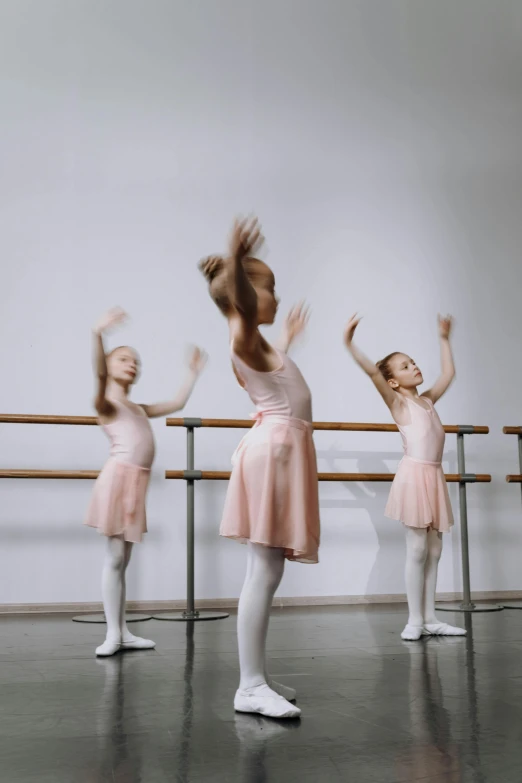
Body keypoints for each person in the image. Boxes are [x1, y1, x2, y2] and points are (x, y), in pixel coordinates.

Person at [200, 217, 320, 718]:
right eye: (269, 288)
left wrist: (289, 338)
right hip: (273, 453)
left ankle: (257, 677)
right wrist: (233, 251)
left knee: (265, 570)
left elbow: (274, 379)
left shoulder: (261, 346)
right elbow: (244, 311)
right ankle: (249, 686)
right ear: (244, 297)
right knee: (264, 570)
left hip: (281, 452)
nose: (274, 296)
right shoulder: (241, 334)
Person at [85, 307, 207, 656]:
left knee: (124, 560)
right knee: (114, 559)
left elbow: (177, 402)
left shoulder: (138, 407)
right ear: (108, 366)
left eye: (136, 360)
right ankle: (112, 634)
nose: (132, 363)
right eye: (123, 358)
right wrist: (98, 333)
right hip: (118, 481)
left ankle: (123, 631)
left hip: (137, 485)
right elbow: (96, 373)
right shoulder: (105, 402)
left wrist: (192, 373)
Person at [344, 313, 465, 641]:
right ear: (393, 382)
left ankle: (430, 617)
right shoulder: (398, 403)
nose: (413, 366)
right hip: (414, 476)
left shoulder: (427, 400)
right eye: (404, 366)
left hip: (434, 477)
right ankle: (413, 620)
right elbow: (372, 372)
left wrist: (443, 339)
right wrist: (350, 343)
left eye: (412, 362)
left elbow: (449, 373)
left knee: (435, 551)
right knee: (416, 549)